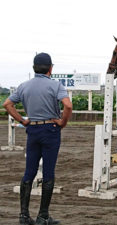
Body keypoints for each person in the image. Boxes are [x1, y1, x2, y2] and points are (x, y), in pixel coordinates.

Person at [3, 52, 72, 225]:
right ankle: (43, 216)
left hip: (32, 130)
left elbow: (7, 104)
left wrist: (22, 120)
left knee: (29, 172)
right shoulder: (56, 85)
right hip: (50, 129)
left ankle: (24, 216)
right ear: (50, 68)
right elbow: (68, 105)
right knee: (48, 173)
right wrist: (63, 121)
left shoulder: (24, 86)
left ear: (34, 68)